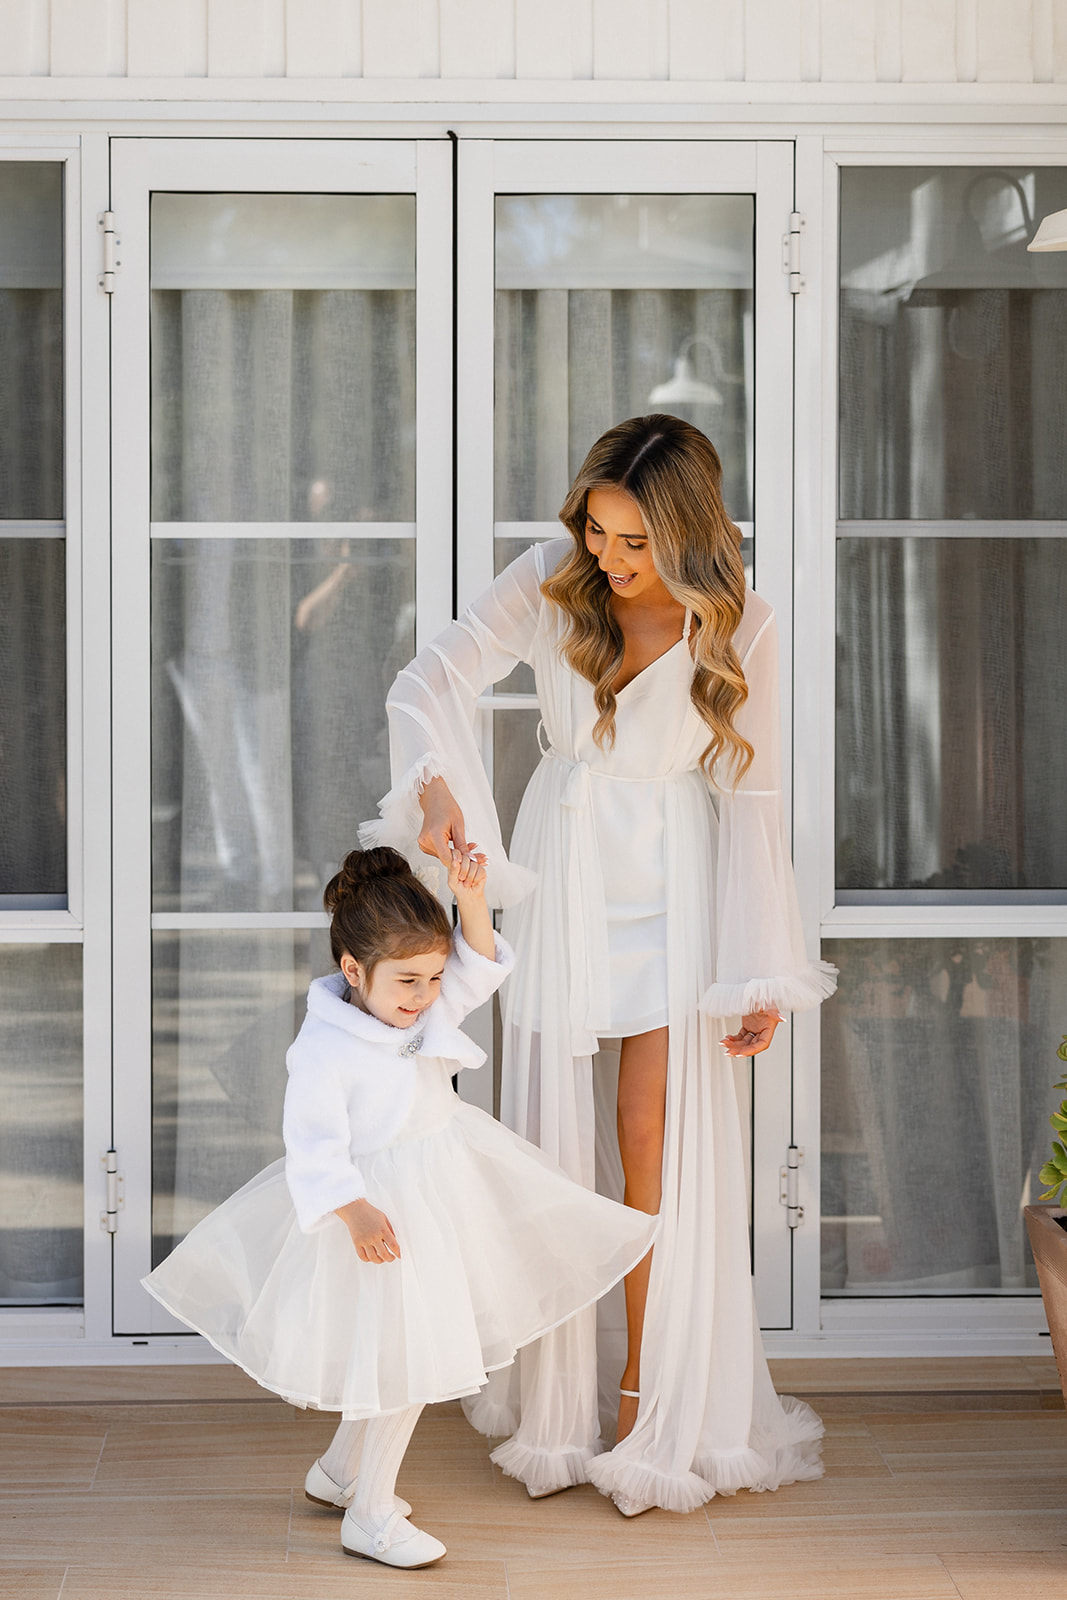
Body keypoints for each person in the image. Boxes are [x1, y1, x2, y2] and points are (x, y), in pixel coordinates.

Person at [362, 413, 838, 1517]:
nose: (610, 559)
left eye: (634, 541)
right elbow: (427, 680)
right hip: (566, 862)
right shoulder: (552, 577)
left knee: (650, 1139)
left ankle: (644, 1395)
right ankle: (555, 1400)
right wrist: (437, 791)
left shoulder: (745, 621)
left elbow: (755, 801)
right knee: (552, 1145)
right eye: (597, 531)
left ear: (688, 531)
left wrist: (756, 970)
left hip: (676, 879)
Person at [143, 844, 657, 1568]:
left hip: (441, 1192)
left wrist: (470, 900)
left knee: (403, 1347)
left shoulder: (417, 1007)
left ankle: (340, 1473)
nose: (424, 996)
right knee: (406, 1357)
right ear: (353, 971)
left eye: (433, 978)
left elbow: (480, 967)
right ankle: (372, 1514)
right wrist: (353, 1211)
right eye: (408, 981)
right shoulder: (325, 1050)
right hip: (377, 1213)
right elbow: (312, 1145)